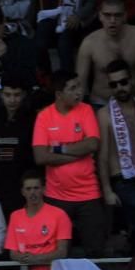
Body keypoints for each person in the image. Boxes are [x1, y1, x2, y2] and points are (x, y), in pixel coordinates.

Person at [31, 70, 105, 257]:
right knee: (57, 254)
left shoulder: (86, 110)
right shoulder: (44, 117)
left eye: (79, 86)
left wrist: (59, 148)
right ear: (59, 94)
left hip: (89, 195)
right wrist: (79, 153)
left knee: (95, 253)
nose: (79, 92)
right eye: (72, 88)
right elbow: (40, 157)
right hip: (56, 198)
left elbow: (93, 144)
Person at [96, 59, 135, 256]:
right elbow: (103, 155)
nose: (119, 88)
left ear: (131, 81)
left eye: (123, 82)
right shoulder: (105, 114)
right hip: (124, 181)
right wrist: (107, 190)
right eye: (113, 85)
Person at [4, 170, 72, 270]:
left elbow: (62, 252)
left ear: (44, 189)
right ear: (22, 191)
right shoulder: (15, 216)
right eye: (28, 189)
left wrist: (35, 258)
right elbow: (12, 252)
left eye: (36, 188)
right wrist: (24, 257)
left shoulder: (59, 215)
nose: (32, 192)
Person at [75, 0, 135, 107]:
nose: (112, 20)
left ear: (125, 16)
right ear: (100, 16)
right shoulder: (89, 43)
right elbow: (80, 83)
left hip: (134, 101)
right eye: (107, 15)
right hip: (101, 102)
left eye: (117, 15)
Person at [0, 75, 35, 215]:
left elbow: (34, 159)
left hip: (23, 190)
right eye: (8, 95)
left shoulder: (33, 121)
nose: (12, 100)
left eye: (17, 95)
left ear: (24, 95)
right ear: (1, 95)